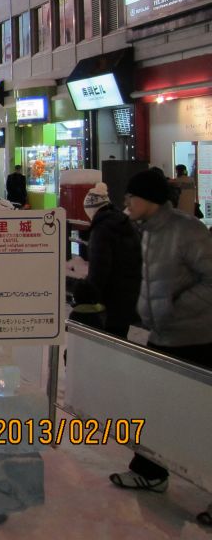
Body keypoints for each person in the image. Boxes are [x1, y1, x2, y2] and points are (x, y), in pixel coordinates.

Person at [109, 168, 212, 494]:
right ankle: (150, 471)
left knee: (199, 414)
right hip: (162, 334)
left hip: (195, 339)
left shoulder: (187, 230)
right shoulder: (149, 230)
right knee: (154, 405)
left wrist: (173, 309)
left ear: (148, 199)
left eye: (132, 196)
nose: (127, 202)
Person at [72, 182, 142, 338]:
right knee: (119, 337)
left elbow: (99, 268)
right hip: (130, 295)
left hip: (111, 299)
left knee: (108, 340)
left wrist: (89, 294)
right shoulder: (124, 222)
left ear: (92, 210)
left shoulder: (102, 230)